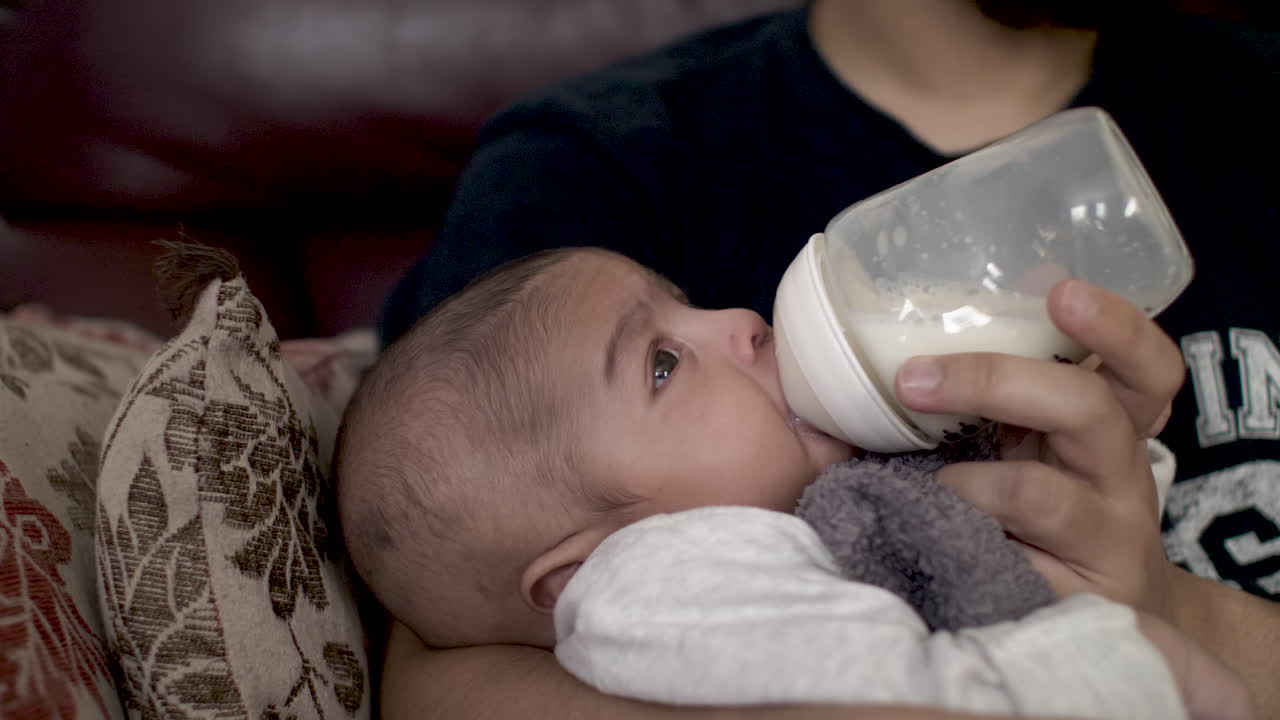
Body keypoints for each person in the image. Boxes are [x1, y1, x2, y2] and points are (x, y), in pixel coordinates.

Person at [378, 1, 1280, 717]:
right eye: (663, 360)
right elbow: (444, 659)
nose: (738, 318)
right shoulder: (593, 172)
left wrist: (1170, 609)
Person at [339, 247, 1247, 719]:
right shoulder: (662, 581)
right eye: (661, 364)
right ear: (581, 577)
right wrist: (1120, 667)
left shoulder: (824, 492)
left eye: (683, 304)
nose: (737, 319)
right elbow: (890, 697)